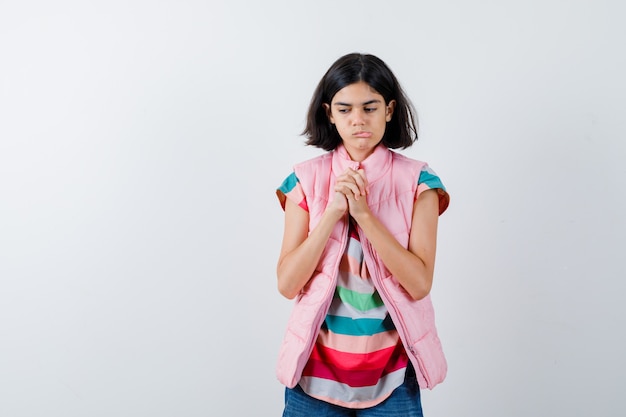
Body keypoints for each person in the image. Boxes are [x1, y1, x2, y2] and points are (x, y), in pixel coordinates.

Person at [275, 52, 450, 416]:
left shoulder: (420, 182)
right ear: (329, 113)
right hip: (312, 377)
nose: (358, 121)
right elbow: (288, 283)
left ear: (389, 110)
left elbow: (419, 283)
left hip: (393, 378)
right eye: (345, 109)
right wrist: (333, 212)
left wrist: (365, 215)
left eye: (370, 108)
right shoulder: (304, 180)